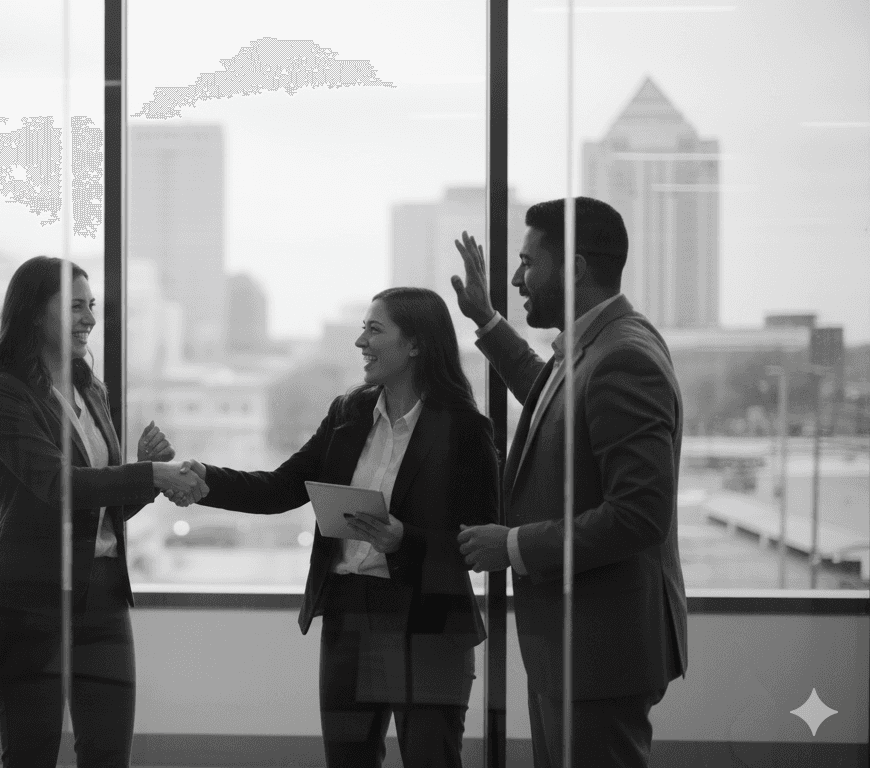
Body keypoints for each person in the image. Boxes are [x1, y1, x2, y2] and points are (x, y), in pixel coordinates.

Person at [173, 287, 499, 768]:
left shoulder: (465, 429)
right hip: (351, 616)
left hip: (430, 620)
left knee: (433, 759)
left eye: (374, 329)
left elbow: (481, 543)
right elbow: (282, 488)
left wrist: (402, 540)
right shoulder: (349, 414)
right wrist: (208, 479)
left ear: (415, 344)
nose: (360, 342)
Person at [451, 197, 688, 768]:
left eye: (529, 262)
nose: (516, 277)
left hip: (599, 651)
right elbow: (549, 400)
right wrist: (488, 322)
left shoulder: (624, 357)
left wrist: (511, 546)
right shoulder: (597, 347)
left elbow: (638, 515)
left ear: (575, 268)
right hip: (574, 648)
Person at [0, 255, 203, 768]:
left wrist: (144, 473)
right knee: (30, 756)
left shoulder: (91, 391)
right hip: (33, 602)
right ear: (35, 314)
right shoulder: (2, 394)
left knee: (107, 756)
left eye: (91, 306)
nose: (90, 319)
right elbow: (58, 485)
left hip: (103, 597)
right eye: (76, 306)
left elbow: (101, 511)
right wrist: (150, 476)